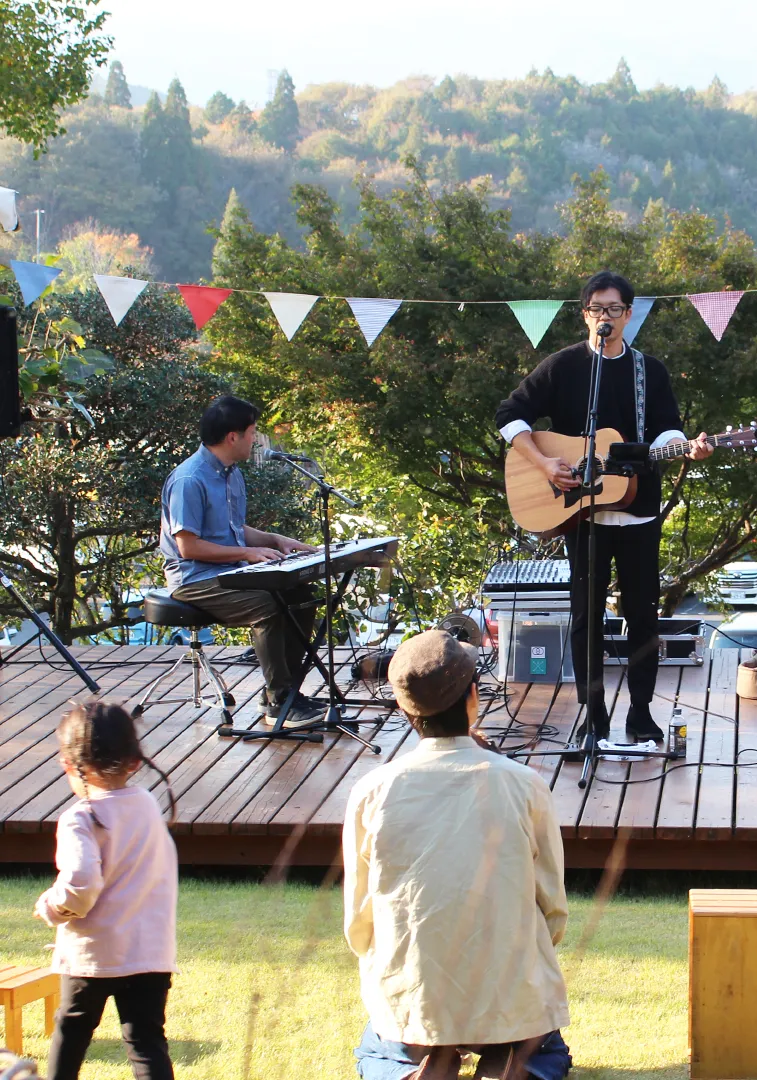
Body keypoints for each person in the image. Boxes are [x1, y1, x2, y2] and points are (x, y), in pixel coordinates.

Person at [495, 271, 713, 745]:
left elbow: (667, 430)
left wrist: (685, 447)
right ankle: (593, 716)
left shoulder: (647, 371)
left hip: (638, 513)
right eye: (597, 308)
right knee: (585, 617)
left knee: (642, 614)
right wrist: (547, 464)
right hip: (581, 514)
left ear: (629, 314)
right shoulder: (563, 366)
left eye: (615, 309)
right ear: (585, 314)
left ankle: (640, 713)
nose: (605, 317)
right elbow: (508, 415)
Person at [343, 629, 571, 1080]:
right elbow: (553, 909)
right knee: (543, 1044)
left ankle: (423, 1060)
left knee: (383, 1044)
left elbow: (360, 920)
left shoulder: (372, 791)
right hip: (509, 993)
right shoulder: (524, 785)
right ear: (473, 698)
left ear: (405, 709)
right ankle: (510, 1059)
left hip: (415, 994)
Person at [34, 702, 178, 1080]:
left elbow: (81, 883)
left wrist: (52, 906)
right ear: (134, 761)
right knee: (146, 1042)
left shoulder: (80, 818)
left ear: (67, 762)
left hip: (93, 955)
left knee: (72, 1032)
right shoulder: (147, 805)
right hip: (149, 953)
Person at [159, 394, 322, 727]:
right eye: (252, 433)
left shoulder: (230, 473)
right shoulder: (189, 480)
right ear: (232, 436)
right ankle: (280, 702)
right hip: (193, 579)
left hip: (226, 571)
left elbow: (232, 530)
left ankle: (282, 693)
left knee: (301, 597)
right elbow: (189, 548)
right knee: (266, 605)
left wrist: (275, 540)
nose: (255, 440)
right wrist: (247, 554)